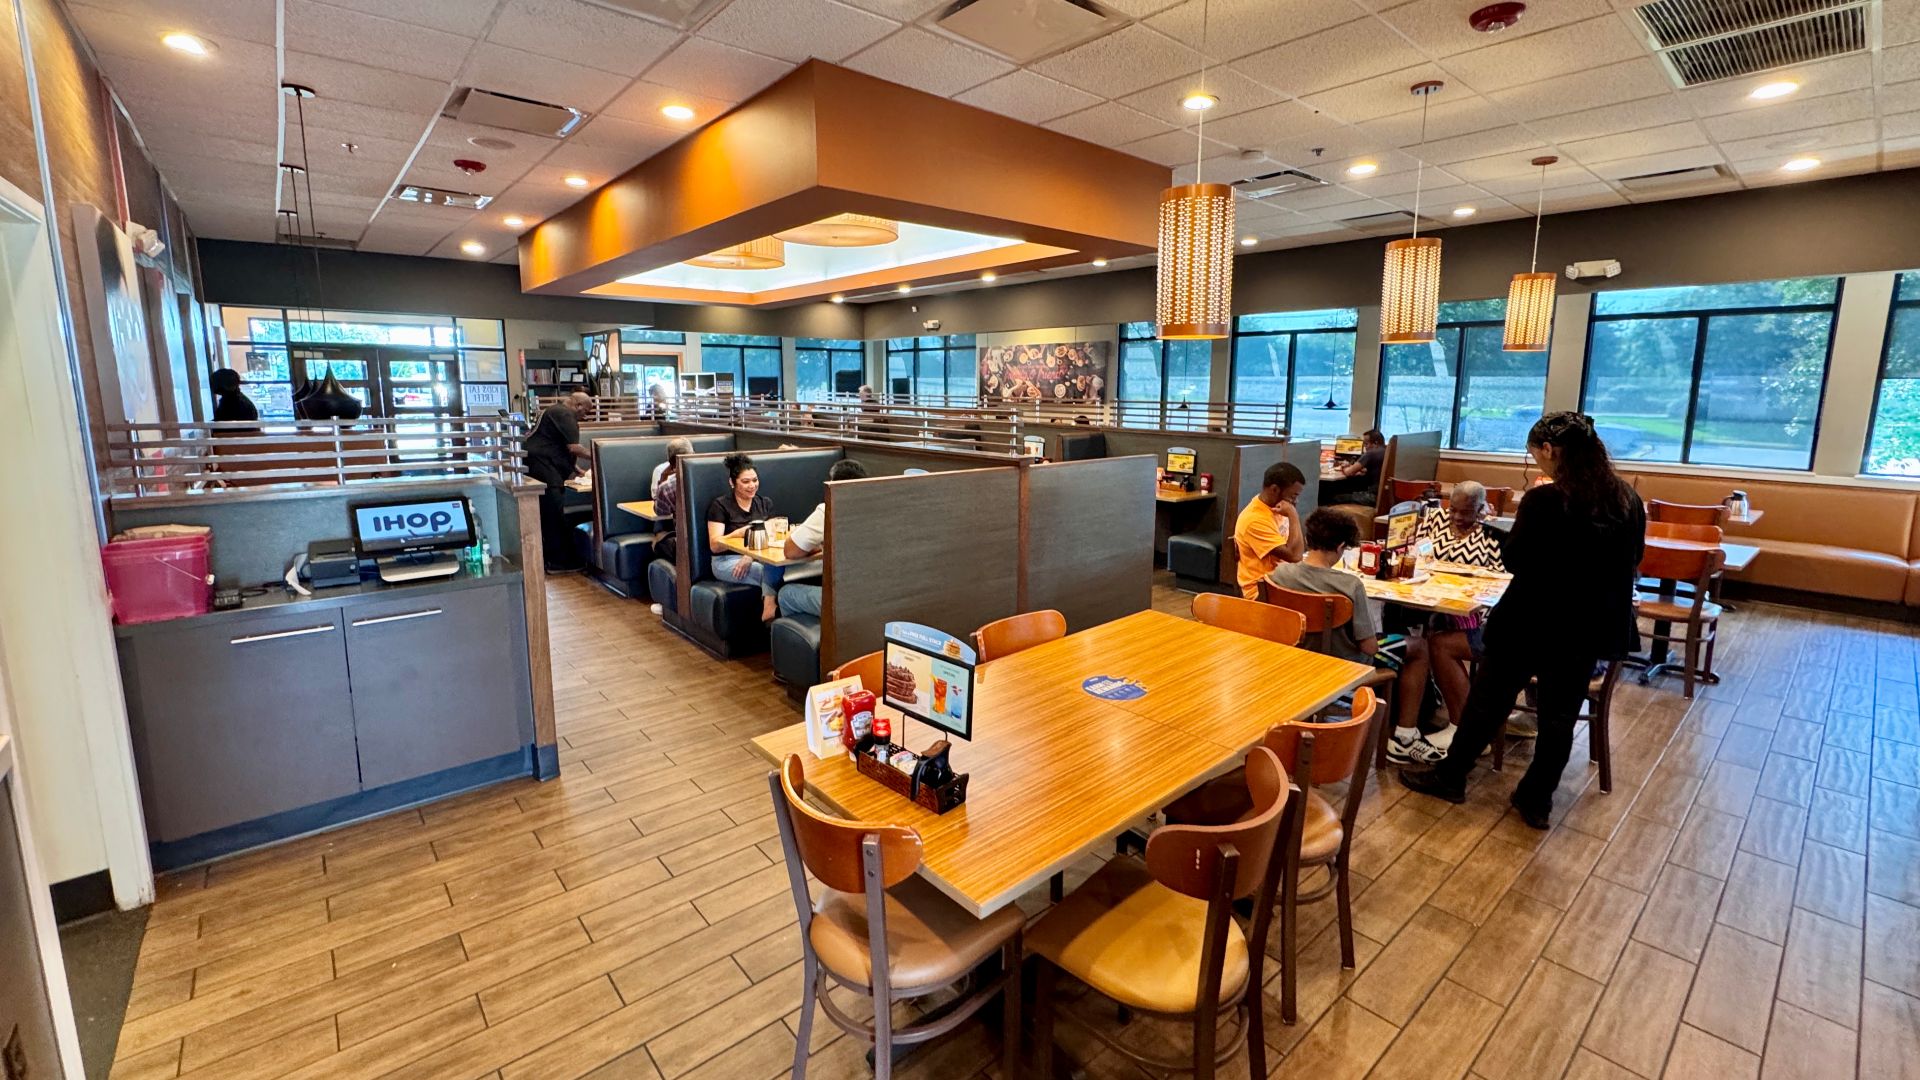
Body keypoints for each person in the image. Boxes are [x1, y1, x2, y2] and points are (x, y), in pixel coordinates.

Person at [1400, 413, 1646, 829]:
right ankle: (1536, 799)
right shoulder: (1625, 499)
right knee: (1559, 717)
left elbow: (1515, 559)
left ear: (1550, 451)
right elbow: (1633, 561)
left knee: (1487, 702)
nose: (1536, 464)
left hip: (1532, 621)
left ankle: (1452, 776)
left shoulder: (1546, 500)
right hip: (1588, 629)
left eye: (1534, 456)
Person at [1387, 481, 1509, 765]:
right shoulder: (1435, 518)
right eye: (1452, 509)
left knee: (1440, 644)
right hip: (1436, 602)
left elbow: (1501, 581)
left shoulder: (1493, 532)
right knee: (1408, 624)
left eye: (1465, 512)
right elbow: (1418, 552)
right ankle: (1416, 710)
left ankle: (1465, 729)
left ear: (1481, 509)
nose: (1455, 517)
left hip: (1483, 618)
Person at [775, 459, 868, 619]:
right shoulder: (878, 507)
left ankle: (821, 639)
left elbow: (790, 551)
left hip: (845, 602)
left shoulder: (828, 510)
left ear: (833, 484)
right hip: (877, 599)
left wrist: (815, 546)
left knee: (786, 594)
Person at [705, 452, 783, 622]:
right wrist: (737, 534)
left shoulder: (764, 503)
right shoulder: (720, 506)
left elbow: (772, 534)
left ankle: (774, 615)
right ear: (732, 483)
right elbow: (714, 545)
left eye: (755, 480)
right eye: (745, 482)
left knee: (780, 569)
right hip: (725, 561)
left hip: (758, 557)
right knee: (766, 573)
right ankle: (772, 614)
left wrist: (749, 556)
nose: (752, 486)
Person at [523, 391, 593, 573]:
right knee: (553, 516)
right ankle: (557, 562)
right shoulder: (564, 414)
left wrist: (575, 468)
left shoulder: (553, 410)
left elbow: (557, 445)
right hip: (545, 470)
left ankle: (552, 559)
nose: (585, 416)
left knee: (550, 515)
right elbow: (574, 447)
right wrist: (601, 455)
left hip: (539, 467)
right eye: (586, 411)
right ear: (578, 405)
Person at [1233, 462, 1306, 600]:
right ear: (1274, 489)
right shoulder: (1255, 519)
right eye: (1293, 496)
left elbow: (1298, 552)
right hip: (1261, 591)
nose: (1296, 501)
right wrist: (1293, 515)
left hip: (1283, 580)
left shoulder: (1278, 509)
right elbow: (1294, 556)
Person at [1324, 429, 1387, 506]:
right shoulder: (1386, 451)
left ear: (1375, 443)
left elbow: (1348, 472)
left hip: (1372, 496)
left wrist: (1344, 466)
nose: (1365, 447)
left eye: (1366, 444)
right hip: (1383, 495)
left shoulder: (1371, 453)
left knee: (1334, 497)